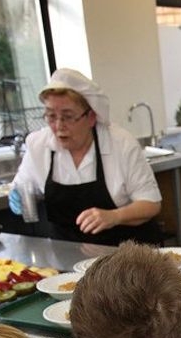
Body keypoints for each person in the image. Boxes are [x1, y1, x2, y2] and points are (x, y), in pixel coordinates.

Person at [9, 68, 162, 244]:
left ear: (91, 117)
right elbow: (23, 186)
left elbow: (151, 203)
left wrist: (114, 216)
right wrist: (18, 196)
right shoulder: (38, 145)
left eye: (68, 116)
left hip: (126, 254)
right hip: (67, 253)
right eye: (51, 116)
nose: (59, 126)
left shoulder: (120, 143)